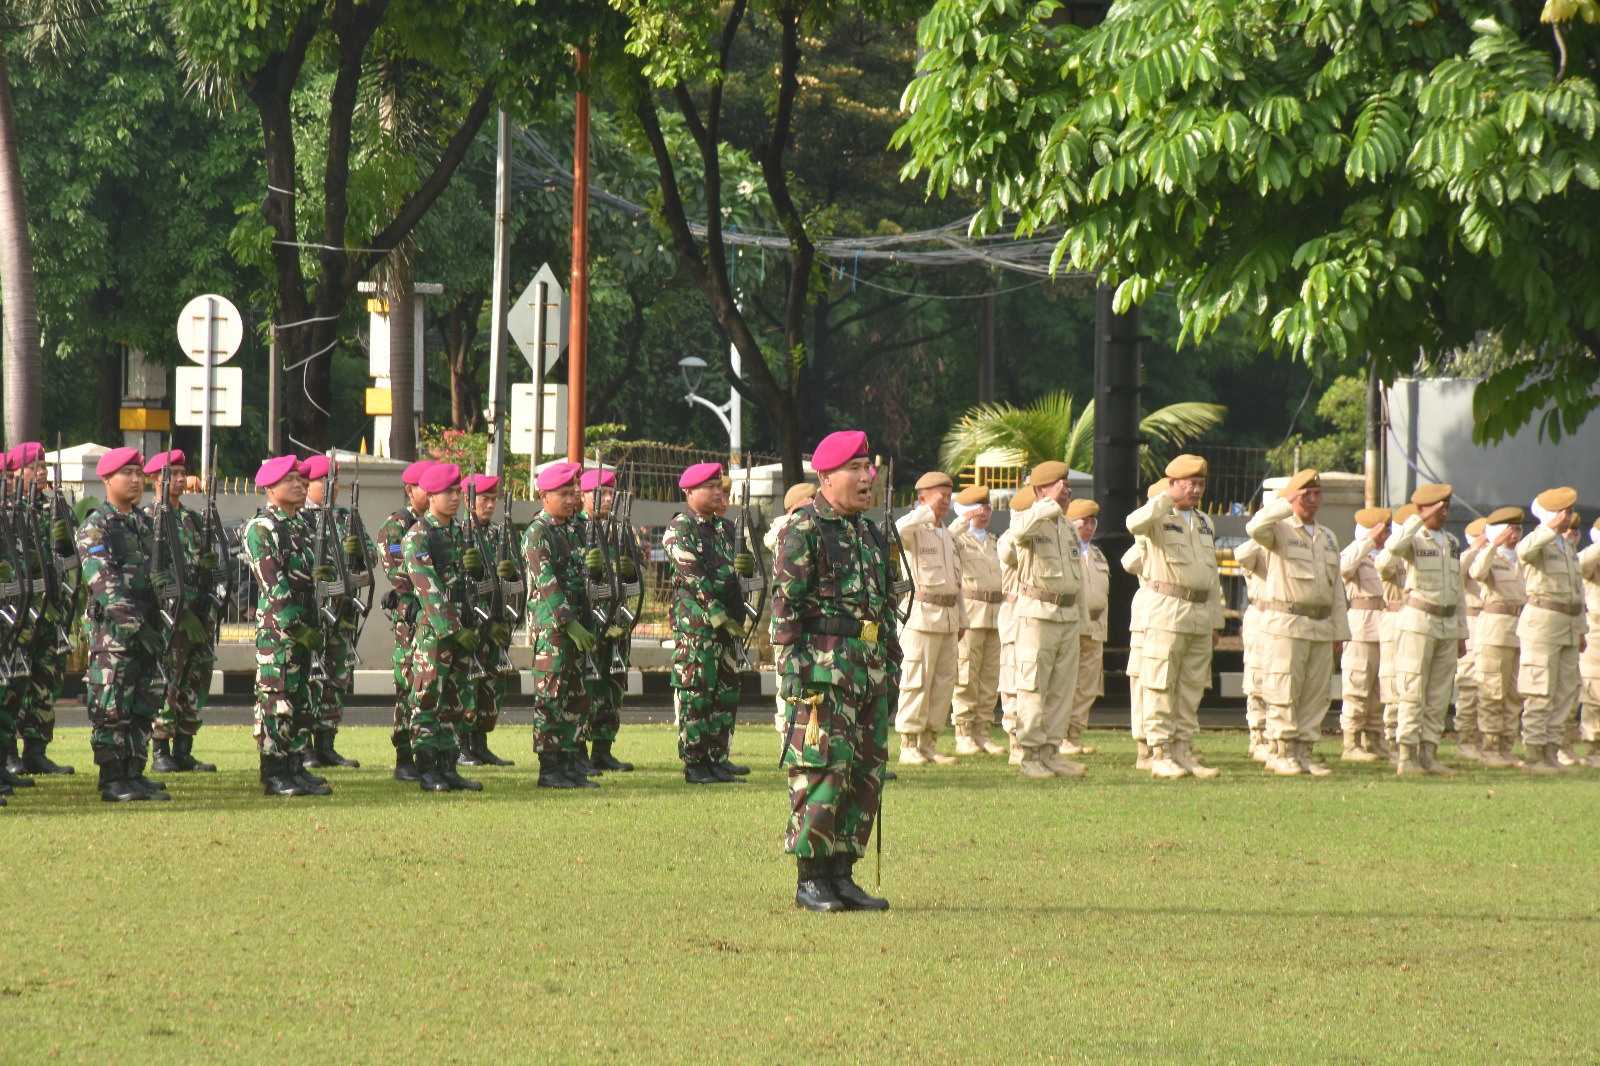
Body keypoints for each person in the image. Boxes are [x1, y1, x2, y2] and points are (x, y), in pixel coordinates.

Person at [772, 429, 895, 912]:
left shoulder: (869, 532)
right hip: (822, 672)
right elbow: (786, 608)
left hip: (868, 671)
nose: (867, 477)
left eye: (868, 468)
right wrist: (792, 672)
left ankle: (842, 875)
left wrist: (890, 662)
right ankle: (812, 879)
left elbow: (882, 606)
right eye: (855, 469)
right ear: (825, 477)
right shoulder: (804, 529)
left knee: (864, 773)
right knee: (823, 770)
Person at [76, 446, 169, 802]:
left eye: (138, 473)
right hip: (114, 636)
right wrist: (136, 627)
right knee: (112, 705)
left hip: (148, 629)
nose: (135, 479)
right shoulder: (96, 527)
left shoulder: (144, 523)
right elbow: (104, 582)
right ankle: (113, 778)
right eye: (126, 473)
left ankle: (134, 771)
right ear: (106, 479)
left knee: (143, 703)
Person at [1125, 455, 1224, 779]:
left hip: (1199, 612)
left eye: (1200, 484)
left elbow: (1211, 575)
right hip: (1166, 609)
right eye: (1190, 484)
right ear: (1172, 484)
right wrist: (1166, 498)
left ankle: (1183, 751)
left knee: (1192, 686)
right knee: (1160, 683)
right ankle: (1160, 753)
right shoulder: (1157, 514)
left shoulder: (1205, 522)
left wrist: (1216, 621)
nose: (1196, 490)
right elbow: (1133, 524)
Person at [1244, 470, 1348, 776]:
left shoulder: (1327, 537)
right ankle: (1281, 752)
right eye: (1305, 495)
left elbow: (1336, 590)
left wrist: (1340, 632)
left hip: (1320, 625)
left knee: (1316, 694)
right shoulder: (1279, 530)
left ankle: (1304, 753)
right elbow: (1254, 527)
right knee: (1283, 690)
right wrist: (1284, 502)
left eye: (1317, 494)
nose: (1312, 500)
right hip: (1286, 624)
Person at [240, 455, 332, 797]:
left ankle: (294, 764)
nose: (299, 485)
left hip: (307, 621)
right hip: (279, 630)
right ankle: (274, 770)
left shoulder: (302, 525)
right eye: (289, 480)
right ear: (269, 488)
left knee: (302, 697)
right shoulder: (261, 528)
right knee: (277, 698)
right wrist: (294, 624)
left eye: (299, 479)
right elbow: (272, 583)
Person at [665, 462, 752, 784]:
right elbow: (693, 575)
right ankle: (695, 762)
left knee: (726, 693)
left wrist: (746, 569)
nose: (718, 492)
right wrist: (717, 614)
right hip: (698, 626)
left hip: (728, 623)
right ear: (690, 492)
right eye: (711, 487)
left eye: (720, 486)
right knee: (697, 692)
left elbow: (741, 576)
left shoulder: (726, 528)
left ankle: (718, 758)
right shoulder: (681, 527)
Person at [1000, 461, 1087, 779]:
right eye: (1058, 485)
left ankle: (1051, 752)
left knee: (1062, 689)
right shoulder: (1028, 520)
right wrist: (1043, 506)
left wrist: (1084, 623)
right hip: (1037, 615)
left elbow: (1079, 580)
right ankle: (1030, 756)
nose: (1066, 491)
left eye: (1068, 486)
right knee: (1033, 687)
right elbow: (1016, 536)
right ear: (1040, 490)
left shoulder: (1068, 527)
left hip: (1067, 615)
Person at [401, 463, 483, 793]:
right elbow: (427, 587)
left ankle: (449, 767)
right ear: (431, 496)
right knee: (427, 699)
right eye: (447, 492)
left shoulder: (461, 533)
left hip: (463, 627)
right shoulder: (418, 535)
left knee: (455, 700)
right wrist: (453, 628)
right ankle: (427, 770)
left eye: (456, 491)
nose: (455, 497)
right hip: (436, 633)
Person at [1376, 484, 1467, 777]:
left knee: (1439, 694)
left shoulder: (1451, 541)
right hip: (1418, 620)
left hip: (1446, 623)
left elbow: (1458, 590)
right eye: (1438, 509)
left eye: (1446, 508)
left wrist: (1462, 632)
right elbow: (1386, 560)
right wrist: (1415, 520)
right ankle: (1406, 755)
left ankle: (1429, 754)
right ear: (1422, 509)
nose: (1444, 514)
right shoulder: (1411, 538)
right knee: (1412, 689)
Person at [141, 449, 219, 775]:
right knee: (167, 679)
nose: (179, 479)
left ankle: (184, 748)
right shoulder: (147, 519)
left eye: (182, 473)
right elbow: (151, 573)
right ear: (155, 479)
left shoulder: (192, 519)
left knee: (196, 677)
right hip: (168, 618)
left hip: (198, 612)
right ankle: (160, 748)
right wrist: (177, 609)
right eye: (171, 474)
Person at [522, 461, 599, 789]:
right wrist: (568, 622)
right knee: (551, 696)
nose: (572, 498)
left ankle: (570, 761)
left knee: (576, 696)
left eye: (574, 492)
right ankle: (550, 767)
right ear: (544, 496)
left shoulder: (575, 529)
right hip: (554, 628)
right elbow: (547, 582)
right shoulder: (538, 532)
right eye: (564, 494)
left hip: (579, 622)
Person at [297, 453, 373, 771]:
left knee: (337, 680)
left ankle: (326, 744)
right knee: (309, 679)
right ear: (308, 484)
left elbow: (373, 555)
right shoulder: (300, 517)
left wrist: (360, 552)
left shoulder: (346, 517)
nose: (333, 486)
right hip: (312, 613)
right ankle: (304, 747)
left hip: (342, 612)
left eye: (336, 480)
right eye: (325, 481)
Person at [7, 442, 76, 778]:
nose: (42, 473)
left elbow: (73, 557)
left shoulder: (55, 508)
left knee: (46, 680)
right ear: (15, 473)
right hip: (20, 614)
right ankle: (7, 753)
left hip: (52, 610)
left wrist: (66, 540)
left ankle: (36, 750)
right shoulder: (8, 511)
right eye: (34, 467)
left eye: (44, 466)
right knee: (13, 682)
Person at [894, 470, 966, 765]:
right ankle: (908, 743)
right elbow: (897, 530)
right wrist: (925, 510)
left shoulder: (948, 536)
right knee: (917, 681)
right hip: (921, 617)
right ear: (922, 499)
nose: (945, 501)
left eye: (948, 496)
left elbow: (957, 584)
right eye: (939, 496)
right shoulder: (915, 530)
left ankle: (929, 742)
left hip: (948, 617)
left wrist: (962, 619)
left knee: (943, 683)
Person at [1514, 487, 1587, 775]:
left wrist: (1581, 629)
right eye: (1562, 512)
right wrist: (1548, 527)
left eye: (1569, 512)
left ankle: (1551, 753)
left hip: (1568, 624)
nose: (1567, 517)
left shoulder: (1567, 546)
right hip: (1542, 624)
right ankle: (1534, 755)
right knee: (1540, 690)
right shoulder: (1538, 540)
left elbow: (1576, 591)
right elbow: (1523, 552)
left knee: (1564, 692)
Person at [376, 459, 435, 781]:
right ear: (411, 490)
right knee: (409, 681)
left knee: (431, 684)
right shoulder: (398, 524)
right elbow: (397, 568)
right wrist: (421, 594)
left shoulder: (436, 524)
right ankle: (404, 755)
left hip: (433, 615)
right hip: (411, 616)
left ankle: (432, 751)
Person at [455, 472, 518, 769]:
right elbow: (458, 583)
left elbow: (517, 579)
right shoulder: (458, 534)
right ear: (469, 501)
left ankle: (480, 745)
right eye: (484, 499)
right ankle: (461, 745)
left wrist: (512, 574)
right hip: (472, 625)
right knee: (467, 685)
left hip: (497, 622)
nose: (490, 505)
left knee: (492, 687)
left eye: (494, 499)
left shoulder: (498, 534)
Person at [577, 467, 635, 773]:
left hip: (616, 621)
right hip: (587, 623)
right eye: (600, 493)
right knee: (582, 687)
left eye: (611, 493)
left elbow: (636, 576)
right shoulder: (576, 528)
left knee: (612, 686)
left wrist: (630, 568)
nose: (608, 498)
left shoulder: (621, 530)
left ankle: (602, 748)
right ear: (583, 496)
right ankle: (577, 750)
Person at [1468, 507, 1527, 769]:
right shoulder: (1490, 556)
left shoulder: (1522, 559)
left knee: (1514, 694)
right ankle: (1489, 748)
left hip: (1520, 632)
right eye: (1509, 530)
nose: (1514, 534)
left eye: (1517, 529)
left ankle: (1506, 747)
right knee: (1492, 692)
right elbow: (1476, 573)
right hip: (1494, 633)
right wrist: (1493, 544)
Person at [949, 485, 1005, 756]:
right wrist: (963, 519)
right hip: (970, 614)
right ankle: (964, 733)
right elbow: (947, 537)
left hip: (995, 615)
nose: (984, 512)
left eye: (987, 507)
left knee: (990, 678)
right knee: (966, 676)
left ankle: (982, 733)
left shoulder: (994, 542)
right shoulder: (957, 539)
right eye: (977, 507)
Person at [1337, 507, 1391, 762]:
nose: (1385, 535)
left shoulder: (1389, 556)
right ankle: (1351, 743)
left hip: (1388, 627)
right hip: (1362, 627)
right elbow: (1343, 568)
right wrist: (1367, 541)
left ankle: (1373, 739)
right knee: (1357, 686)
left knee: (1381, 690)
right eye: (1381, 530)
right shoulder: (1356, 553)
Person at [768, 482, 817, 734]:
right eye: (810, 501)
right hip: (786, 621)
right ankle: (785, 734)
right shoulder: (788, 529)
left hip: (804, 621)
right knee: (787, 684)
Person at [1123, 480, 1164, 770]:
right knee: (1142, 681)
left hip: (1173, 617)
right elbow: (1129, 562)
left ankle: (1172, 743)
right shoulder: (1145, 533)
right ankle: (1144, 749)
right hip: (1148, 616)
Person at [1064, 498, 1109, 758]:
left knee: (1088, 685)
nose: (1089, 527)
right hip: (1072, 625)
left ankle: (1074, 735)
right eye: (1084, 522)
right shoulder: (1065, 551)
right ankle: (1060, 735)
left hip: (1095, 627)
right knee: (1066, 682)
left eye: (1093, 523)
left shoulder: (1098, 555)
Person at [1374, 503, 1417, 763]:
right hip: (1395, 619)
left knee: (1415, 682)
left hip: (1420, 622)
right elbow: (1384, 566)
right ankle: (1393, 743)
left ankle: (1414, 743)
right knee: (1393, 684)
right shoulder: (1392, 554)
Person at [996, 485, 1033, 764]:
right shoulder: (1008, 538)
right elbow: (1010, 554)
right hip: (1015, 615)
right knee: (1012, 682)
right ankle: (1015, 743)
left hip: (1039, 618)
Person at [1233, 532, 1270, 761]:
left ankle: (1278, 737)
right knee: (1257, 679)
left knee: (1285, 679)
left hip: (1289, 619)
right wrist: (1263, 534)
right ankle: (1258, 738)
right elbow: (1241, 555)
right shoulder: (1257, 548)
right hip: (1261, 615)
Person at [1453, 518, 1488, 761]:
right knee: (1469, 686)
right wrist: (1476, 547)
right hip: (1472, 623)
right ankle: (1466, 741)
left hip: (1494, 623)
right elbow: (1457, 570)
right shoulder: (1468, 558)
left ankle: (1489, 741)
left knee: (1492, 685)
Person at [1577, 516, 1600, 768]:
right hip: (1596, 630)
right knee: (1594, 691)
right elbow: (1581, 565)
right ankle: (1594, 748)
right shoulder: (1591, 560)